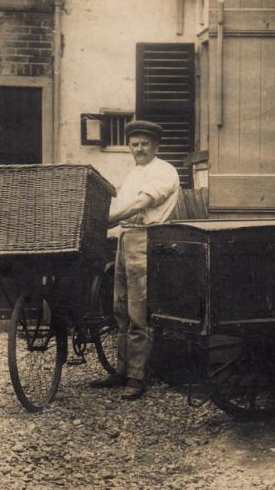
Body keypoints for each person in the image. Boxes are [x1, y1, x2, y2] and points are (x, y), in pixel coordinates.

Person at [90, 120, 181, 400]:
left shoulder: (164, 171)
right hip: (126, 238)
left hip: (147, 240)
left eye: (145, 144)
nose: (139, 149)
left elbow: (141, 204)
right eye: (134, 144)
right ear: (129, 147)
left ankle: (137, 377)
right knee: (120, 309)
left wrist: (103, 221)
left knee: (139, 312)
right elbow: (122, 208)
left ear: (156, 146)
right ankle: (121, 370)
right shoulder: (133, 174)